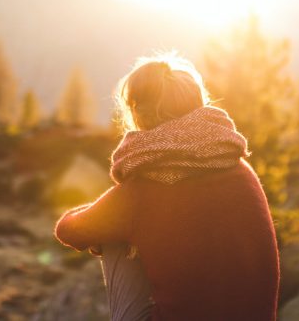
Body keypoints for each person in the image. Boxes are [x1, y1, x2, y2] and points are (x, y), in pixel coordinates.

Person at [54, 54, 280, 320]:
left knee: (113, 235)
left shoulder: (145, 187)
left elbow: (69, 230)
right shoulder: (240, 167)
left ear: (138, 113)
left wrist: (109, 214)